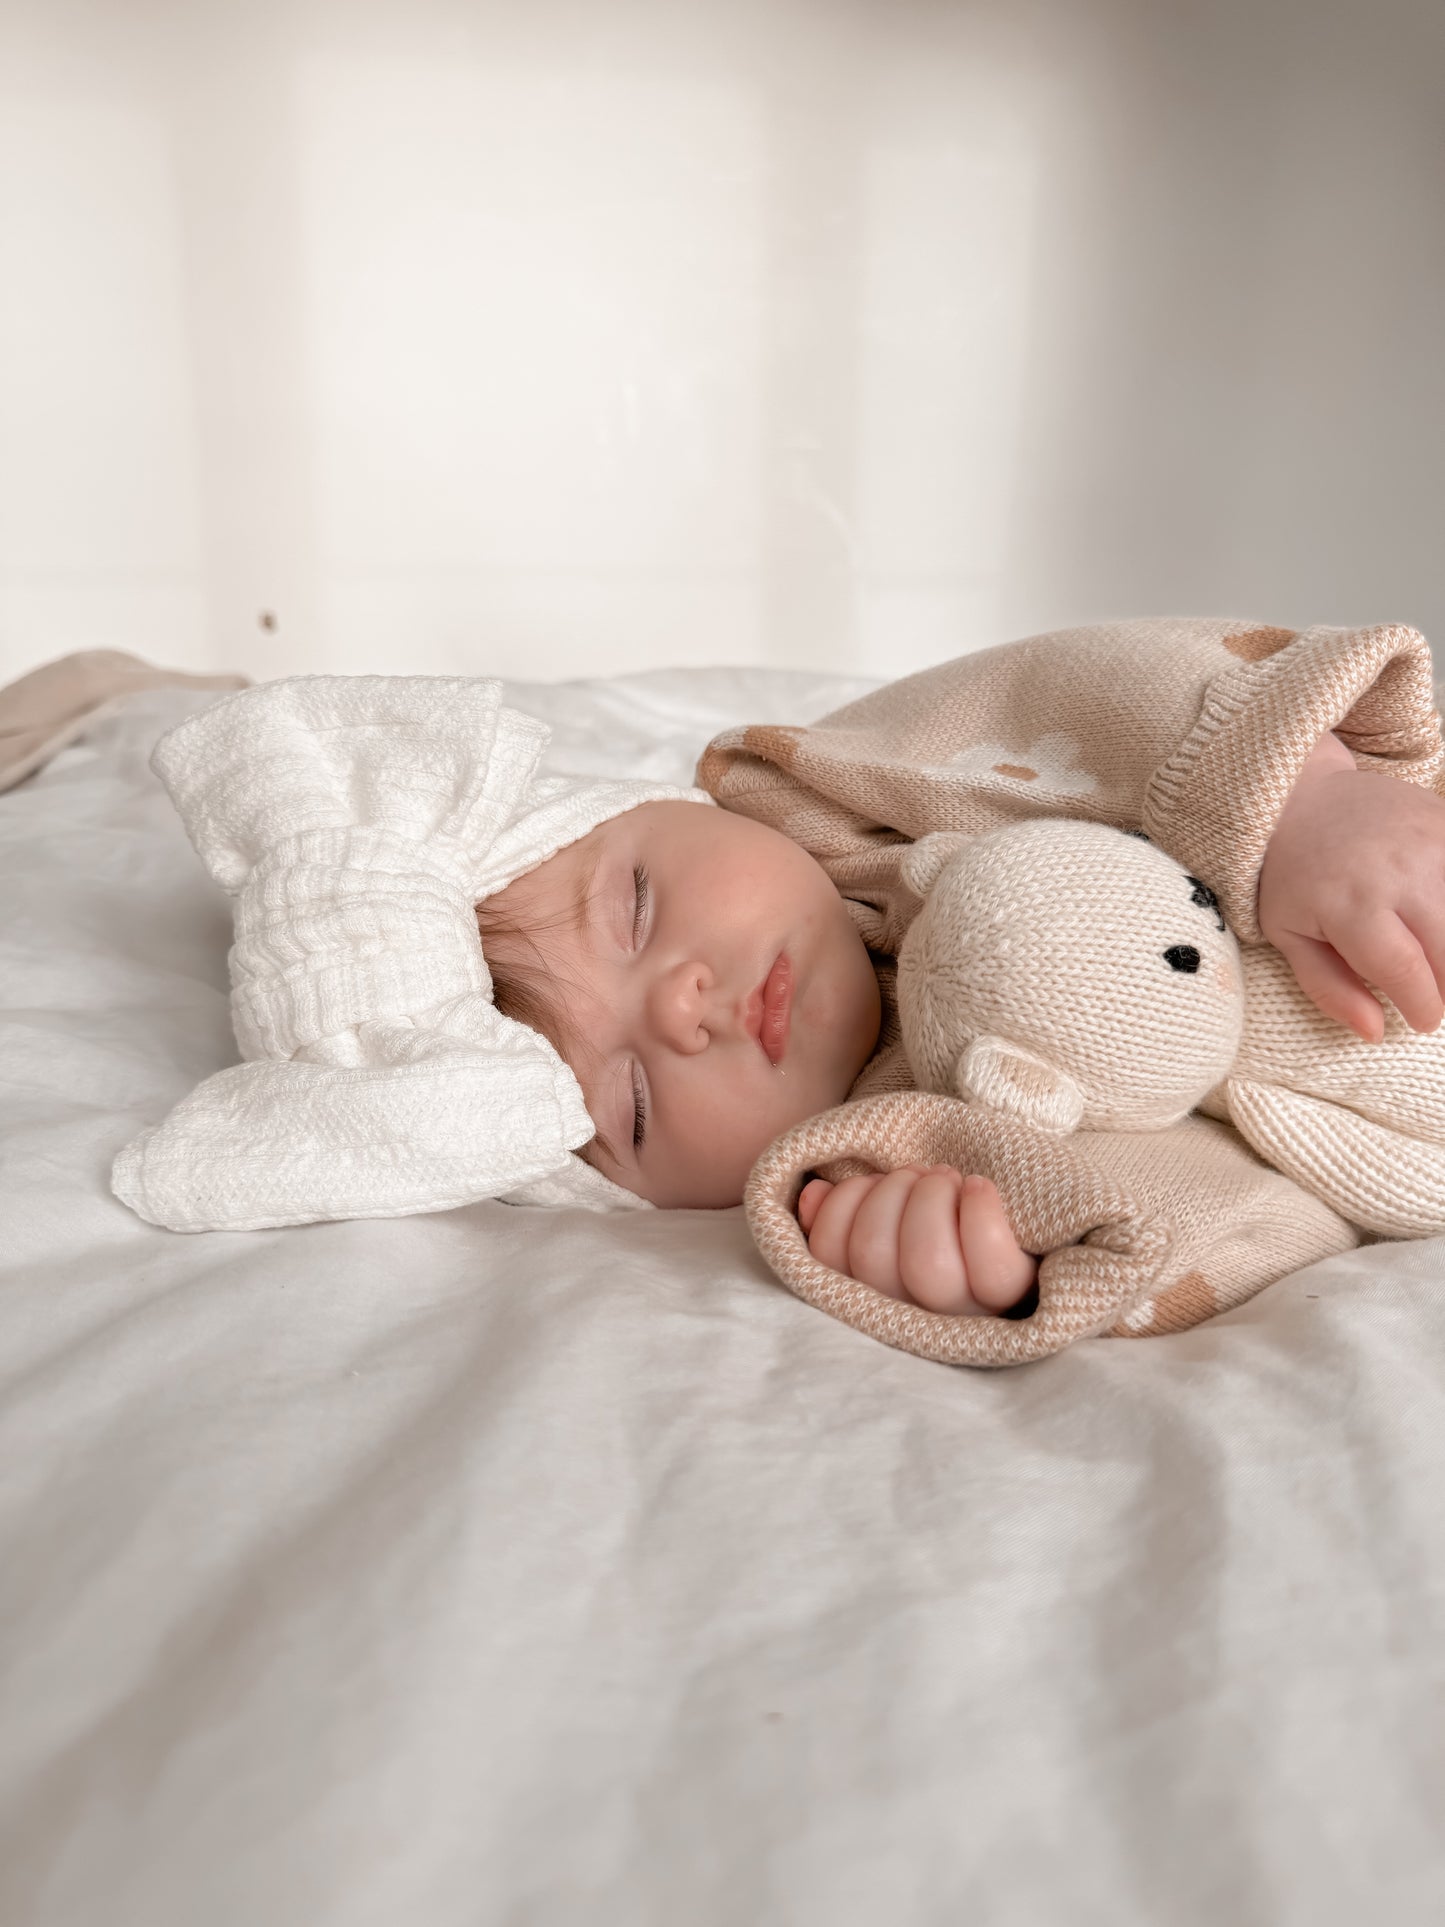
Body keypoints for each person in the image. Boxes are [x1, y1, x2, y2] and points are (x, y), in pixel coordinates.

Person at [477, 618, 1445, 1320]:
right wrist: (1007, 1262)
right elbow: (1234, 1222)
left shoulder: (853, 794)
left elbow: (1086, 687)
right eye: (634, 1104)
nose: (687, 1010)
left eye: (635, 907)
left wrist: (1298, 797)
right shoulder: (893, 1156)